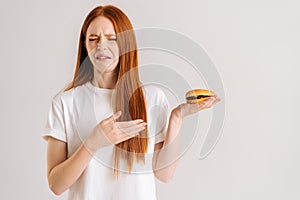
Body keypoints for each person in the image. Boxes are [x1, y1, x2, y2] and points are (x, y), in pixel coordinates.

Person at [42, 4, 221, 200]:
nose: (102, 45)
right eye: (93, 39)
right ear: (85, 46)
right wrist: (93, 143)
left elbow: (164, 174)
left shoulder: (152, 98)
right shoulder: (65, 103)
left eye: (112, 39)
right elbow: (56, 185)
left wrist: (177, 117)